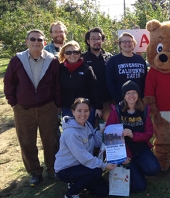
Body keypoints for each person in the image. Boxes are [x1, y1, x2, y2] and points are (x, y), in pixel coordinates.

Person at [4, 29, 61, 186]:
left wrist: (57, 104)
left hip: (47, 107)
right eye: (33, 39)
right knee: (27, 142)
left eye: (40, 39)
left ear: (44, 42)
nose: (36, 42)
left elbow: (57, 85)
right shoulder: (17, 60)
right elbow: (9, 82)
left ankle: (52, 169)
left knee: (51, 140)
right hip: (23, 109)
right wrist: (13, 103)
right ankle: (35, 172)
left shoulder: (52, 60)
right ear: (27, 41)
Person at [55, 98, 116, 198]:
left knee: (103, 192)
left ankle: (76, 182)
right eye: (79, 111)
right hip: (66, 169)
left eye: (86, 111)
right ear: (73, 112)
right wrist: (104, 165)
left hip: (82, 165)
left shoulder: (87, 124)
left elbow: (96, 143)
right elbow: (83, 157)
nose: (83, 114)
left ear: (89, 112)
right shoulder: (71, 133)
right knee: (97, 171)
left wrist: (101, 133)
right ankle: (71, 193)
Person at [106, 80, 160, 193]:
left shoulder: (144, 110)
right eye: (128, 93)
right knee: (139, 187)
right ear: (124, 96)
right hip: (124, 153)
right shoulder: (116, 111)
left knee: (154, 169)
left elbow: (149, 132)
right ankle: (129, 168)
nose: (131, 95)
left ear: (138, 94)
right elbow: (109, 136)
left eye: (134, 92)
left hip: (140, 149)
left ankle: (138, 167)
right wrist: (121, 157)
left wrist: (133, 135)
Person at [58, 40, 103, 126]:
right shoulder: (59, 69)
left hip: (85, 109)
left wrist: (99, 107)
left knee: (86, 135)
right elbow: (57, 88)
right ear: (64, 54)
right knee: (70, 135)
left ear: (80, 54)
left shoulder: (87, 69)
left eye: (75, 52)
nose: (72, 55)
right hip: (67, 108)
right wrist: (58, 106)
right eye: (69, 52)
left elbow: (95, 89)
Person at [106, 32, 147, 104]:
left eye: (130, 41)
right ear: (120, 44)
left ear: (134, 43)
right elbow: (110, 82)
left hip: (139, 101)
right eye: (124, 42)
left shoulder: (140, 59)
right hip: (121, 101)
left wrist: (143, 97)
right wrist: (118, 100)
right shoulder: (113, 60)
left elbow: (145, 80)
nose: (127, 44)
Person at [82, 27, 113, 121]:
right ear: (88, 41)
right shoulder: (82, 58)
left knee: (109, 130)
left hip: (107, 101)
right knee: (90, 131)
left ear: (102, 40)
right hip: (89, 102)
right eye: (93, 39)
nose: (96, 41)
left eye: (99, 38)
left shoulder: (109, 57)